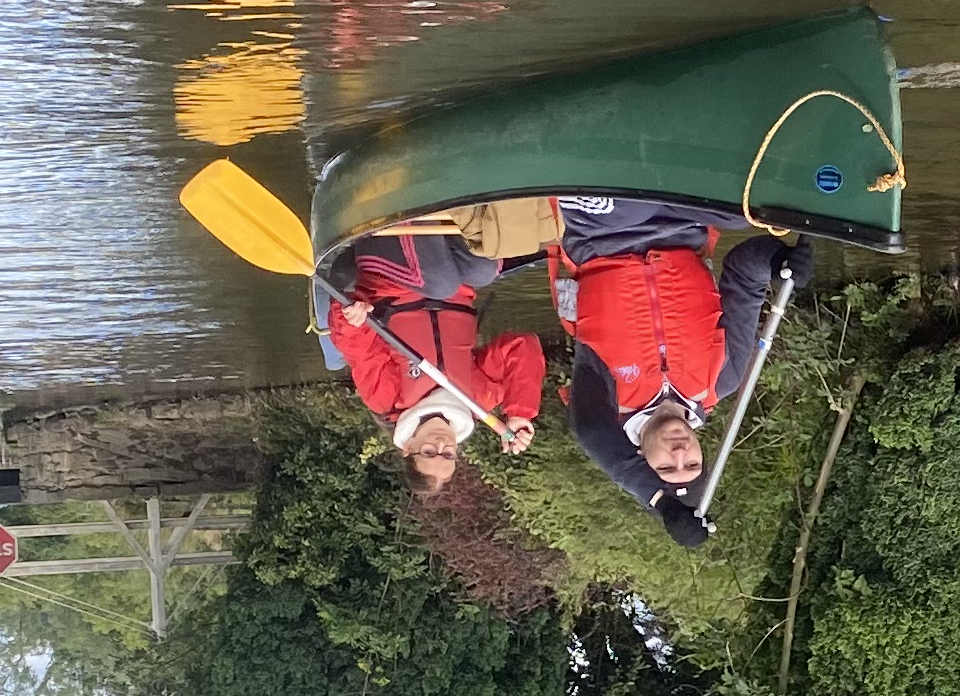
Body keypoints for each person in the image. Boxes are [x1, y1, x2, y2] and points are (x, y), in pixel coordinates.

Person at [550, 195, 796, 544]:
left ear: (639, 458)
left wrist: (659, 502)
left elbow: (589, 431)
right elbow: (744, 273)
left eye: (665, 467)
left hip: (602, 233)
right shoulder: (724, 378)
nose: (680, 454)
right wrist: (778, 260)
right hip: (686, 224)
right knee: (751, 210)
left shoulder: (604, 401)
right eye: (692, 464)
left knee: (632, 204)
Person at [314, 219, 546, 494]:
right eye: (448, 455)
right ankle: (453, 204)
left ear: (409, 448)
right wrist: (520, 412)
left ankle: (410, 205)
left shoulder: (387, 399)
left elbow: (356, 347)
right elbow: (521, 346)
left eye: (429, 452)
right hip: (454, 285)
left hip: (388, 273)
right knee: (483, 270)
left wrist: (352, 318)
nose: (441, 446)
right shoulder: (479, 399)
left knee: (440, 281)